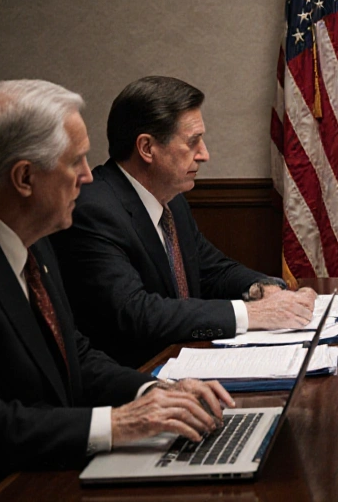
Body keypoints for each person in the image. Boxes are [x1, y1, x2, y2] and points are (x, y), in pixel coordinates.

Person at [0, 80, 233, 501]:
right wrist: (116, 426)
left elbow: (73, 355)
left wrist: (152, 392)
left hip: (40, 464)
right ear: (25, 178)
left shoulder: (31, 238)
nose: (88, 176)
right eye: (75, 161)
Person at [51, 76, 315, 367]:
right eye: (192, 142)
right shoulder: (93, 210)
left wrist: (263, 289)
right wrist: (252, 315)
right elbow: (135, 312)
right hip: (135, 382)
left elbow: (213, 270)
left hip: (184, 365)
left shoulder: (171, 200)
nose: (204, 154)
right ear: (147, 148)